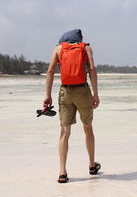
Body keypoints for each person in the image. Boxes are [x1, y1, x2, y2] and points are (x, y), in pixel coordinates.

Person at [43, 29, 101, 183]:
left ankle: (62, 172)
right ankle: (92, 165)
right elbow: (92, 70)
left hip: (65, 91)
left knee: (65, 131)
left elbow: (49, 71)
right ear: (79, 38)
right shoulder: (85, 47)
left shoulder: (58, 49)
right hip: (83, 91)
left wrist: (47, 95)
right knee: (87, 127)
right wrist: (95, 94)